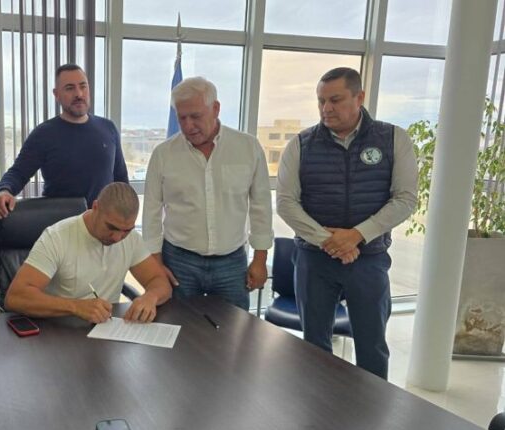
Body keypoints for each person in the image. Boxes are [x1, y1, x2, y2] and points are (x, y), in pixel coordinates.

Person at [276, 67, 418, 379]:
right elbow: (286, 203)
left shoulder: (393, 139)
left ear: (359, 97)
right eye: (321, 101)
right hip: (314, 260)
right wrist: (328, 240)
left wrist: (357, 235)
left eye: (335, 100)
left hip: (368, 260)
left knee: (371, 345)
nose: (326, 108)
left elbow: (405, 199)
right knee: (314, 347)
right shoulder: (301, 144)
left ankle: (371, 406)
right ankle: (317, 404)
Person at [142, 77, 273, 312]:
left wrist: (260, 259)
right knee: (177, 325)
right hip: (179, 261)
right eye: (182, 118)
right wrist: (156, 264)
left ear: (216, 109)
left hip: (231, 262)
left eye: (196, 116)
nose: (189, 126)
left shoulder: (247, 148)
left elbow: (261, 206)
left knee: (235, 328)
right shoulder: (163, 154)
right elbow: (151, 212)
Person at [5, 182, 171, 323]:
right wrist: (75, 306)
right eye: (111, 227)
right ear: (95, 207)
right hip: (58, 330)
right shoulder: (57, 237)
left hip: (105, 329)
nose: (117, 237)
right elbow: (15, 297)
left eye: (126, 230)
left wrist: (150, 297)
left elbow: (159, 281)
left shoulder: (131, 239)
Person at [0, 64, 128, 218]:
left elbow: (121, 180)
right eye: (70, 88)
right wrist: (4, 190)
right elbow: (18, 172)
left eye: (83, 86)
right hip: (61, 226)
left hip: (103, 225)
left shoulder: (108, 128)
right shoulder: (44, 134)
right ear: (56, 95)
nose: (79, 94)